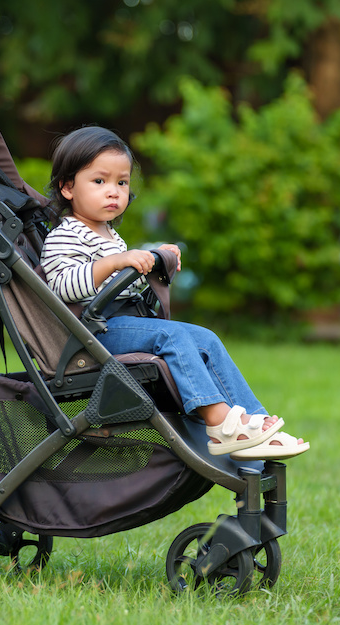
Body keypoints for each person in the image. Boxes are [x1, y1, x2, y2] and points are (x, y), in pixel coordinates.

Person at [39, 126, 309, 461]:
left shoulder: (108, 234)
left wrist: (153, 260)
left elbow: (126, 282)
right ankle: (218, 421)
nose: (114, 192)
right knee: (172, 336)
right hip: (93, 333)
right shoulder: (66, 235)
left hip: (122, 322)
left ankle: (253, 420)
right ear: (67, 187)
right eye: (100, 181)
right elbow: (61, 287)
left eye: (121, 183)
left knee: (205, 338)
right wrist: (117, 262)